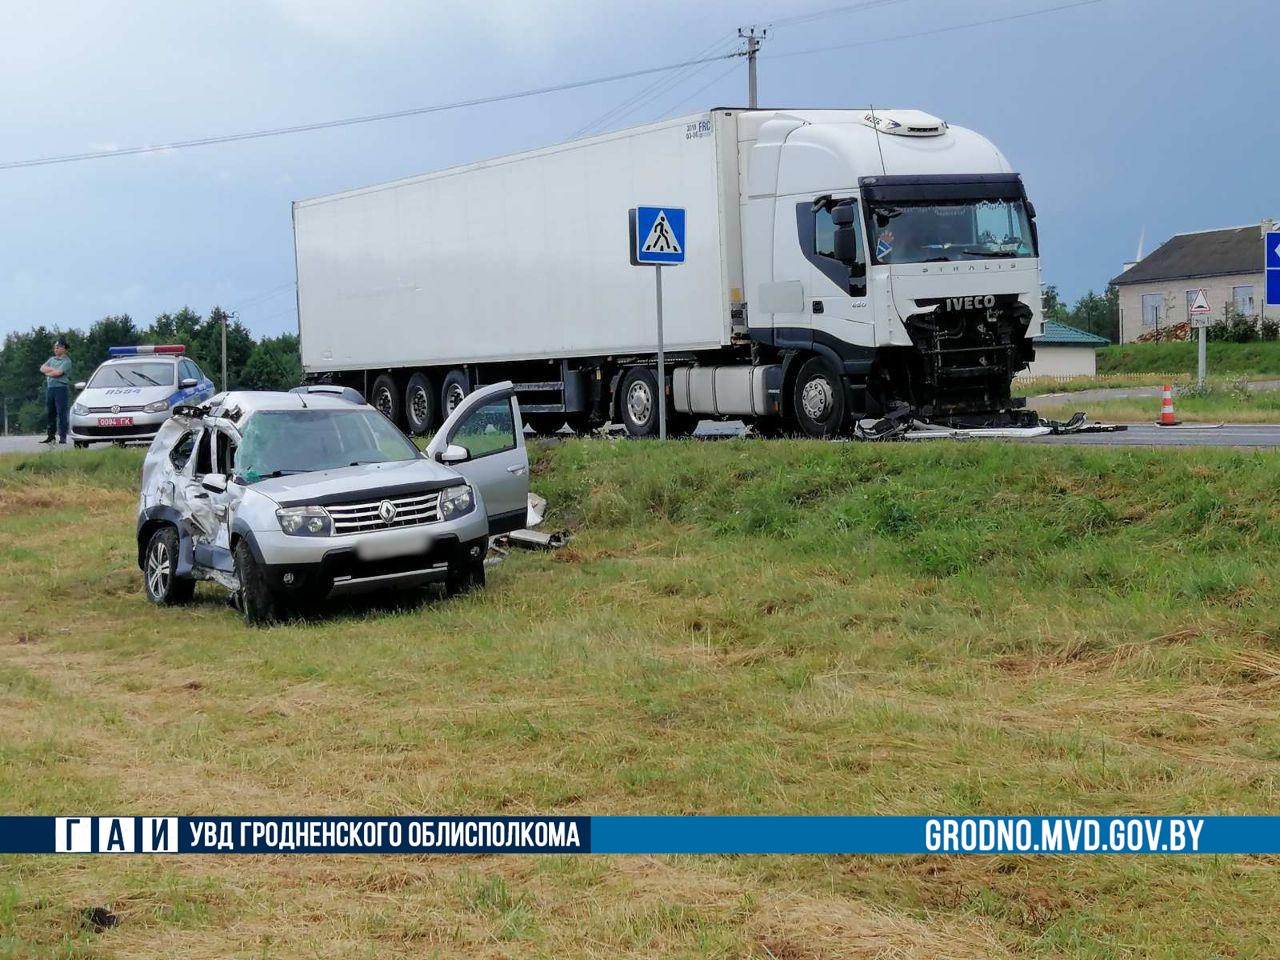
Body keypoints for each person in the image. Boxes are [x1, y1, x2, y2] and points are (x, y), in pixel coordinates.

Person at [38, 338, 74, 445]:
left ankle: (63, 437)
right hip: (51, 388)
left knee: (61, 413)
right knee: (50, 413)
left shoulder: (66, 361)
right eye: (55, 347)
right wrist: (51, 371)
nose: (56, 349)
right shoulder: (51, 359)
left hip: (61, 389)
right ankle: (51, 436)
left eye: (58, 347)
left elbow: (58, 373)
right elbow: (42, 368)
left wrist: (49, 372)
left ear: (64, 349)